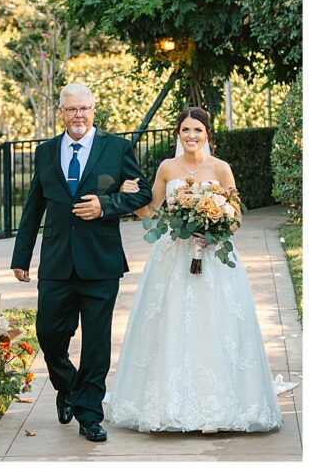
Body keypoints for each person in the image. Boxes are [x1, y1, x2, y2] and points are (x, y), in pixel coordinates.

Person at [107, 107, 283, 432]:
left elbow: (236, 217)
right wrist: (128, 196)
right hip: (172, 258)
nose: (191, 136)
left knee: (213, 324)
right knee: (172, 323)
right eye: (185, 130)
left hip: (213, 259)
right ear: (178, 134)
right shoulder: (166, 168)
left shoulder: (221, 168)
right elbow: (152, 214)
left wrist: (215, 226)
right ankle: (168, 405)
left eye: (197, 131)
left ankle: (216, 409)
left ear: (207, 134)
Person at [10, 83, 152, 442]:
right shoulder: (45, 152)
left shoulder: (117, 149)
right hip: (57, 261)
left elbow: (144, 193)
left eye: (84, 109)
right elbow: (33, 208)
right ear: (61, 112)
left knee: (96, 344)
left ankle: (90, 415)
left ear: (93, 110)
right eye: (71, 109)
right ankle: (68, 387)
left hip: (101, 262)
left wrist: (106, 206)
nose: (78, 116)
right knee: (48, 333)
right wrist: (21, 256)